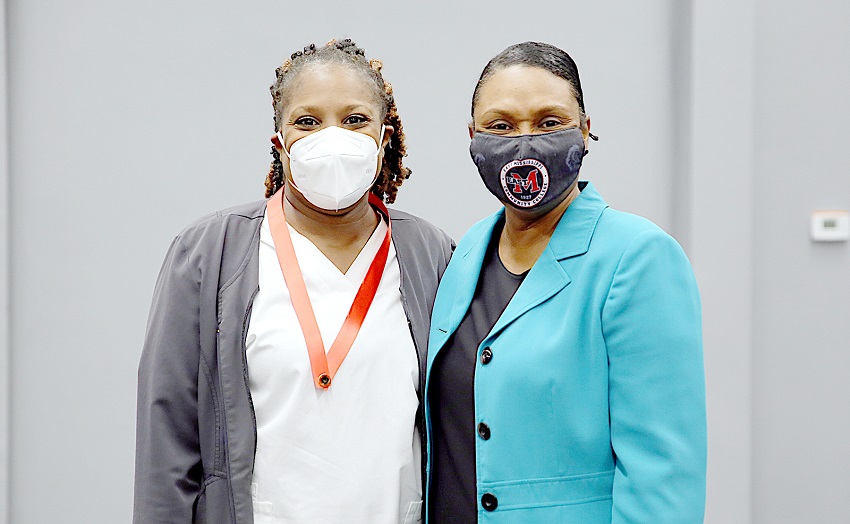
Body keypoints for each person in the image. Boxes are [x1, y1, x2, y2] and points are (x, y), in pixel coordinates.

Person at [134, 39, 453, 524]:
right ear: (280, 144)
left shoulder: (431, 255)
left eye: (354, 120)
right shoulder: (207, 254)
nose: (333, 138)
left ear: (384, 138)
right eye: (307, 121)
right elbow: (167, 441)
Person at [425, 42, 706, 523]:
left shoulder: (637, 257)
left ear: (585, 130)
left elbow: (664, 475)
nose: (525, 141)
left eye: (549, 121)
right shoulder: (465, 251)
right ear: (472, 138)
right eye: (501, 126)